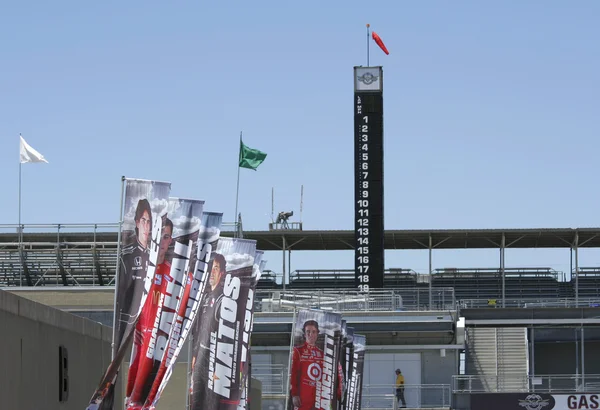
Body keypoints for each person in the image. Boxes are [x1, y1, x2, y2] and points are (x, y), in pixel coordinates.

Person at [116, 198, 153, 344]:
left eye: (149, 221)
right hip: (129, 330)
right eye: (143, 220)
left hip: (150, 327)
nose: (146, 225)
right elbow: (121, 298)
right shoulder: (128, 257)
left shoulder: (154, 257)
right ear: (137, 223)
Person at [290, 320, 343, 410]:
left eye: (314, 332)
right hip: (303, 398)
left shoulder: (323, 354)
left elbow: (331, 375)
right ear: (304, 334)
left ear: (317, 333)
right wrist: (294, 394)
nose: (311, 334)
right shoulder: (298, 351)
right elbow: (293, 374)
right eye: (308, 331)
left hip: (321, 398)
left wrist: (338, 393)